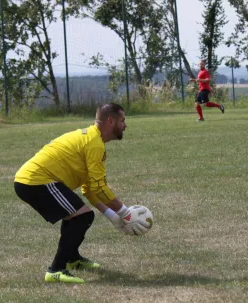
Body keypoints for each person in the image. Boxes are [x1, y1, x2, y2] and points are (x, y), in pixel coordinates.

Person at [14, 103, 150, 284]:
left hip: (33, 180)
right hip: (36, 182)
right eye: (122, 120)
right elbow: (100, 187)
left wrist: (112, 216)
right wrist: (125, 213)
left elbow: (90, 188)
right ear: (110, 121)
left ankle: (72, 258)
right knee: (81, 217)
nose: (125, 125)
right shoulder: (94, 144)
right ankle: (56, 270)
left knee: (78, 215)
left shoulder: (93, 140)